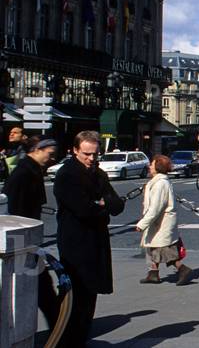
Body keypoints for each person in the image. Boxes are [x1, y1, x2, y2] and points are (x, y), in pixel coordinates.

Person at [54, 130, 125, 347]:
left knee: (90, 296)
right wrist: (103, 205)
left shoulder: (99, 173)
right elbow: (84, 209)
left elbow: (118, 205)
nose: (91, 159)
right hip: (75, 242)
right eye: (86, 154)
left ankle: (80, 338)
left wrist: (103, 204)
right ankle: (68, 340)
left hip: (97, 241)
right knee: (76, 297)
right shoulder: (67, 175)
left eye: (95, 154)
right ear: (75, 150)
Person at [3, 136, 59, 328]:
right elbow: (14, 212)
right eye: (50, 154)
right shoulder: (25, 173)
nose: (52, 159)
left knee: (40, 289)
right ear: (36, 149)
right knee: (39, 290)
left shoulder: (31, 170)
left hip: (25, 242)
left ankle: (59, 329)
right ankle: (59, 330)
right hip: (21, 242)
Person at [136, 154, 192, 285]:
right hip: (158, 222)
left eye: (152, 164)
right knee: (151, 247)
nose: (149, 166)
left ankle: (182, 269)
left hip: (160, 223)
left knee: (164, 250)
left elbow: (156, 207)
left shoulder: (160, 184)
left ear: (158, 166)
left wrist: (142, 224)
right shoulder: (158, 182)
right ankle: (153, 273)